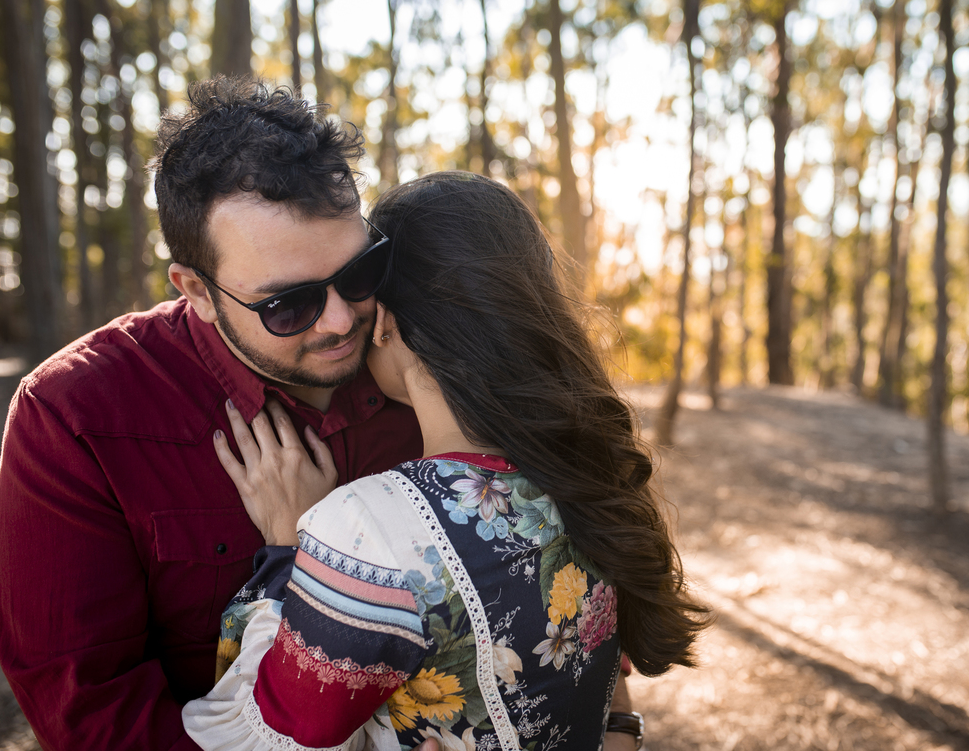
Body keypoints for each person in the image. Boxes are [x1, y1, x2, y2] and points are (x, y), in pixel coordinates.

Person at [180, 172, 710, 750]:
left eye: (358, 288)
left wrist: (288, 554)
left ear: (384, 319)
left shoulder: (368, 530)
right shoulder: (585, 475)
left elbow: (255, 742)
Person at [0, 78, 423, 751]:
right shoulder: (73, 418)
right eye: (289, 304)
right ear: (197, 290)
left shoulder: (428, 352)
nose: (342, 320)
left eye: (361, 272)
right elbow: (96, 724)